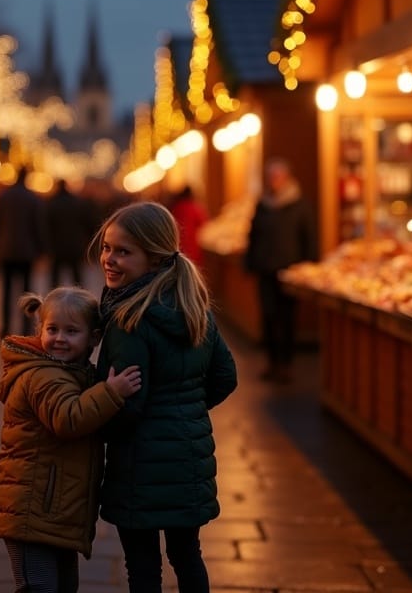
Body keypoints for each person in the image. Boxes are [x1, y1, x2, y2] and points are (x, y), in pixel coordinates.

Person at [94, 201, 238, 593]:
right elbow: (226, 376)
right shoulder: (195, 308)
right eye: (107, 248)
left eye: (123, 252)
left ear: (155, 258)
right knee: (187, 556)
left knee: (143, 566)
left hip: (139, 465)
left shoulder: (128, 319)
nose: (109, 259)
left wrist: (94, 415)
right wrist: (185, 409)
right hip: (188, 460)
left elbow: (127, 406)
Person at [0, 287, 142, 592]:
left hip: (54, 513)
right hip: (32, 514)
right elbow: (68, 418)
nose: (60, 338)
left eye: (71, 331)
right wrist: (111, 392)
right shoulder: (43, 376)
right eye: (52, 329)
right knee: (40, 587)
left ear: (94, 338)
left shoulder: (73, 373)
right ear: (40, 330)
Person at [244, 157, 316, 384]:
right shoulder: (262, 205)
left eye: (277, 176)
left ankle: (286, 364)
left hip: (289, 271)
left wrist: (308, 266)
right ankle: (272, 362)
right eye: (271, 177)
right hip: (265, 269)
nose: (274, 181)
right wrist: (250, 262)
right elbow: (253, 236)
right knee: (268, 317)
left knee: (287, 319)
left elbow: (309, 237)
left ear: (287, 178)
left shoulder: (300, 204)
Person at [0, 166, 45, 336]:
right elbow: (38, 225)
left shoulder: (3, 196)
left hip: (6, 250)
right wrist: (41, 248)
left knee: (6, 290)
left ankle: (5, 325)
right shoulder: (33, 198)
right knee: (27, 291)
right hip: (26, 251)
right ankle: (26, 325)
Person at [44, 178, 95, 288]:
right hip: (74, 244)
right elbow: (88, 223)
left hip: (56, 246)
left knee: (55, 277)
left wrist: (46, 245)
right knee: (76, 275)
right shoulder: (77, 202)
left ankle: (54, 296)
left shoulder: (52, 203)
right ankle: (80, 295)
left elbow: (45, 226)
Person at [168, 185, 208, 266]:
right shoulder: (195, 207)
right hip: (192, 244)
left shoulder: (176, 207)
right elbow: (204, 222)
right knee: (193, 266)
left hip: (178, 243)